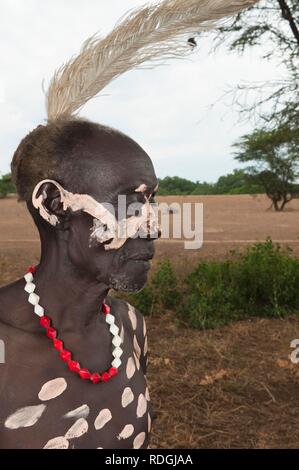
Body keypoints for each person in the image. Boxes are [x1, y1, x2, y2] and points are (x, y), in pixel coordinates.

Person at [0, 0, 257, 449]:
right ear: (54, 205)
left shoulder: (129, 327)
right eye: (128, 203)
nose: (152, 227)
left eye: (152, 202)